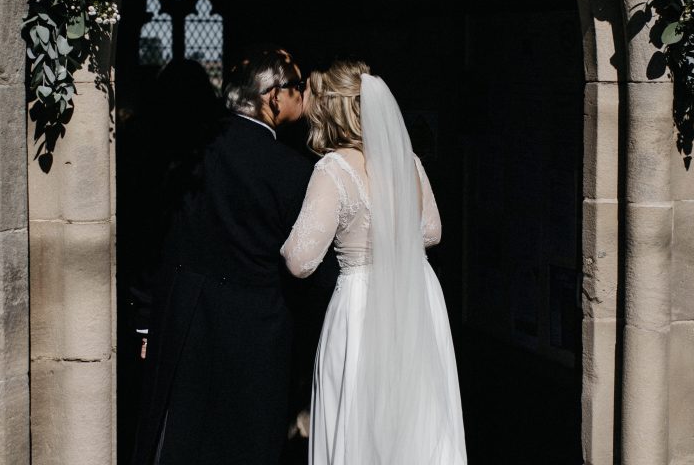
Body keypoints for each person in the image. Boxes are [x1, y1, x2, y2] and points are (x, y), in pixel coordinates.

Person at [130, 48, 314, 465]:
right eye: (296, 87)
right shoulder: (293, 170)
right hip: (258, 326)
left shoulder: (193, 150)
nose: (301, 96)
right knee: (245, 439)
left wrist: (145, 318)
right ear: (272, 96)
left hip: (187, 315)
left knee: (185, 437)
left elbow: (158, 235)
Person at [281, 61, 467, 465]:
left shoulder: (334, 169)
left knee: (361, 414)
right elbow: (432, 231)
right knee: (416, 409)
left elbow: (300, 260)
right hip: (417, 294)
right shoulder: (409, 162)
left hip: (362, 303)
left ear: (331, 110)